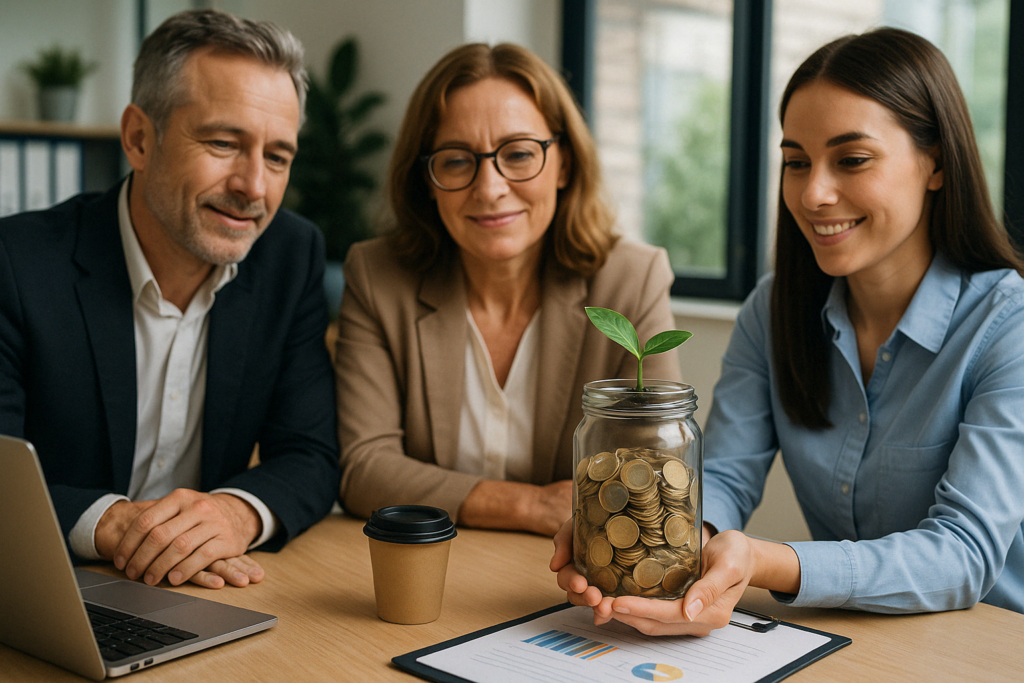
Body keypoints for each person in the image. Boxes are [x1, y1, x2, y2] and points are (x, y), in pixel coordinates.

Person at [551, 26, 1024, 633]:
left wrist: (764, 562)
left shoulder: (1007, 326)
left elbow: (964, 553)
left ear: (935, 163)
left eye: (851, 160)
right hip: (849, 640)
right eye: (796, 162)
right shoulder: (772, 309)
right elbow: (722, 473)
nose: (814, 193)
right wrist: (664, 540)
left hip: (988, 644)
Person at [0, 9, 340, 590]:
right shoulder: (16, 262)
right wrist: (112, 524)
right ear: (138, 138)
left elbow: (310, 453)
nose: (253, 186)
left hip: (205, 592)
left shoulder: (291, 254)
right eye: (223, 142)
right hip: (45, 590)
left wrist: (233, 512)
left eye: (277, 156)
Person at [334, 43, 680, 537]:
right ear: (426, 180)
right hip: (430, 567)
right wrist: (531, 505)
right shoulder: (377, 276)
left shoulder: (631, 280)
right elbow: (365, 469)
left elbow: (654, 472)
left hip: (572, 575)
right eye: (456, 161)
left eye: (518, 154)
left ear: (564, 164)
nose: (490, 188)